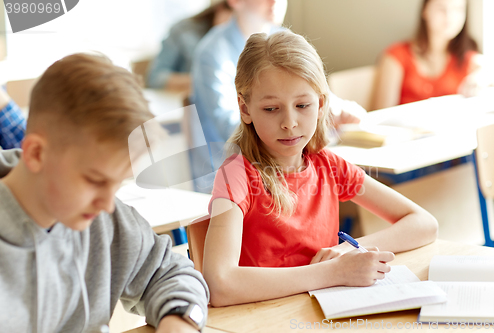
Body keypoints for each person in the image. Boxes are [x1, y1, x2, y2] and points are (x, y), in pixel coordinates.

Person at [203, 30, 438, 307]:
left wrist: (344, 251)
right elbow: (218, 284)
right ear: (245, 108)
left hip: (322, 312)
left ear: (321, 104)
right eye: (270, 109)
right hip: (263, 318)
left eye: (302, 105)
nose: (289, 122)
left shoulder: (328, 165)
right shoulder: (237, 175)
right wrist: (329, 273)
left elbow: (424, 223)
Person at [0, 53, 208, 332]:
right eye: (95, 181)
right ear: (36, 153)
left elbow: (174, 272)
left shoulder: (103, 219)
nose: (108, 204)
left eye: (119, 183)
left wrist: (181, 321)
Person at [189, 0, 365, 193]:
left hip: (285, 164)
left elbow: (317, 94)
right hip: (232, 176)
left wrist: (337, 110)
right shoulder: (213, 53)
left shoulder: (283, 40)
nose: (275, 2)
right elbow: (230, 129)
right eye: (271, 109)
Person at [371, 0, 488, 110]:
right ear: (425, 10)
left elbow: (489, 71)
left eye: (457, 9)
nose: (449, 16)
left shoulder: (470, 60)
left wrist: (482, 77)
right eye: (441, 8)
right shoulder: (396, 57)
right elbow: (379, 118)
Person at [147, 1, 232, 93]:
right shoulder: (183, 31)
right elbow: (155, 78)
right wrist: (202, 81)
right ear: (221, 8)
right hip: (184, 102)